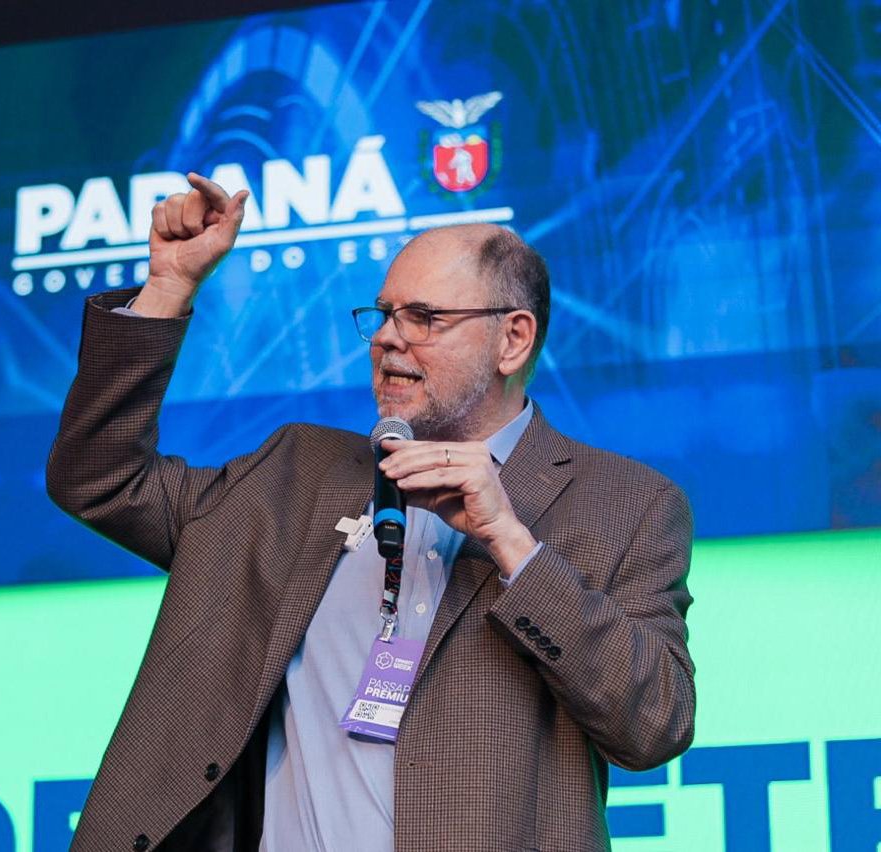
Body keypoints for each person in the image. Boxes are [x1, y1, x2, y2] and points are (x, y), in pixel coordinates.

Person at [48, 173, 695, 852]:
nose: (387, 338)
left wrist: (512, 544)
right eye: (384, 314)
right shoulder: (295, 473)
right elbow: (100, 478)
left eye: (424, 318)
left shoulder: (626, 505)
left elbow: (654, 725)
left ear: (513, 339)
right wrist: (168, 287)